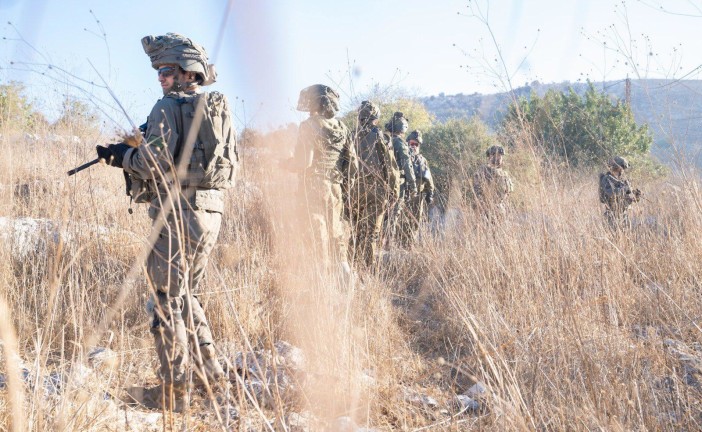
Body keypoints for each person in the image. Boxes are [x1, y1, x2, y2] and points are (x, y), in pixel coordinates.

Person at [96, 33, 236, 411]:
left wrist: (121, 156)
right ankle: (213, 376)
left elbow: (154, 164)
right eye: (158, 70)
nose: (160, 77)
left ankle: (174, 393)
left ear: (187, 71)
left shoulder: (166, 107)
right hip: (211, 212)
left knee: (164, 301)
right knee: (186, 295)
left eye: (166, 70)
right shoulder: (216, 107)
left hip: (176, 214)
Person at [290, 84, 357, 277]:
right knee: (336, 230)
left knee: (317, 229)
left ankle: (321, 277)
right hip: (335, 185)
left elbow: (304, 162)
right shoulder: (343, 127)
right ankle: (345, 273)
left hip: (313, 185)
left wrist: (286, 164)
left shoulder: (308, 125)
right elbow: (352, 164)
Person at [348, 101, 400, 270]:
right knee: (370, 234)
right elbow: (391, 168)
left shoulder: (350, 135)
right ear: (376, 118)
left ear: (360, 117)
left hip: (354, 191)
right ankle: (365, 271)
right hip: (376, 192)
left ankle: (351, 268)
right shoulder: (381, 136)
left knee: (355, 232)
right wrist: (394, 193)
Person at [384, 112, 417, 246]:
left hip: (384, 181)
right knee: (394, 214)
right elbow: (406, 165)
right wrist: (413, 184)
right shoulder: (400, 143)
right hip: (398, 184)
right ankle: (388, 244)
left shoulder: (385, 140)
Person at [397, 130, 435, 248]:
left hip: (418, 197)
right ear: (408, 143)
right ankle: (399, 245)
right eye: (412, 144)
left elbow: (428, 178)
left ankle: (409, 245)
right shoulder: (403, 158)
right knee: (401, 222)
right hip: (404, 195)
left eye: (416, 144)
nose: (414, 147)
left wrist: (430, 192)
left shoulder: (423, 160)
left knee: (415, 222)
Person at [472, 145, 514, 221]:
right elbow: (478, 194)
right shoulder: (482, 172)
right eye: (494, 155)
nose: (497, 158)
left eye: (499, 156)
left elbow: (508, 193)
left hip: (501, 212)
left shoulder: (504, 174)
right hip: (485, 213)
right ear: (489, 157)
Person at [599, 156, 641, 229]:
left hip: (623, 215)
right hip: (611, 216)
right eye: (623, 167)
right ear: (618, 167)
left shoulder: (622, 180)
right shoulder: (607, 179)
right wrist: (625, 188)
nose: (623, 170)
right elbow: (611, 193)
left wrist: (636, 196)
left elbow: (630, 198)